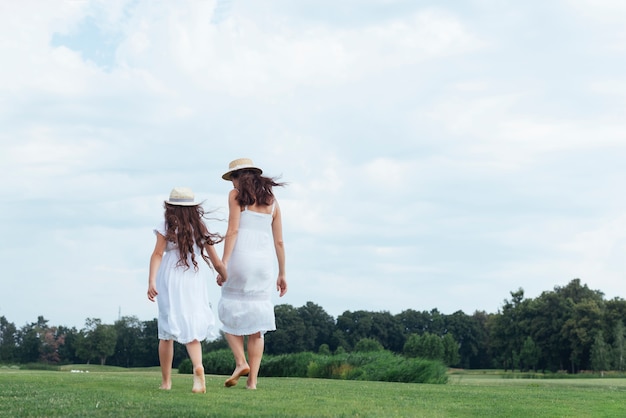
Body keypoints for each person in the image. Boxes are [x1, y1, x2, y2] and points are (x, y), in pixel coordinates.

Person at [216, 158, 288, 390]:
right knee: (257, 325)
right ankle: (252, 382)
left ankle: (240, 362)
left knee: (229, 309)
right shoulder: (272, 202)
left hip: (241, 258)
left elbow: (233, 230)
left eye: (233, 179)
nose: (232, 184)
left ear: (239, 177)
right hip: (264, 264)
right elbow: (279, 241)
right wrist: (282, 273)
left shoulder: (235, 197)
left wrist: (223, 263)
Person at [147, 187, 227, 393]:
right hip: (193, 277)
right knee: (191, 325)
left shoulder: (166, 225)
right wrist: (225, 277)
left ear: (170, 206)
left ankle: (166, 382)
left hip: (170, 277)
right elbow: (217, 262)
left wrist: (151, 281)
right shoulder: (199, 227)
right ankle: (198, 366)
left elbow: (157, 254)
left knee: (166, 331)